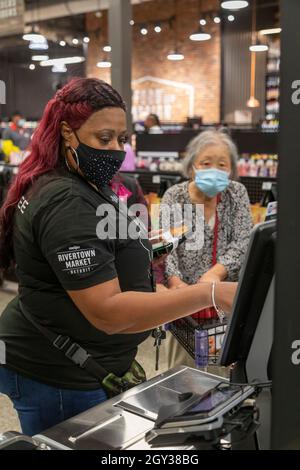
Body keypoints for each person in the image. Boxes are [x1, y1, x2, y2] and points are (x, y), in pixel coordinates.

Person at [0, 78, 236, 436]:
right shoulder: (66, 202)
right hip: (57, 372)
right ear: (67, 133)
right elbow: (107, 312)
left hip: (80, 361)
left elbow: (110, 269)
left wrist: (167, 294)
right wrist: (209, 294)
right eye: (104, 138)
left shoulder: (90, 186)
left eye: (122, 139)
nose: (115, 149)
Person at [160, 129, 253, 368]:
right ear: (192, 167)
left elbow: (243, 241)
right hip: (184, 312)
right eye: (206, 163)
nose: (215, 170)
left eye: (222, 164)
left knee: (222, 377)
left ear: (231, 169)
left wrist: (216, 273)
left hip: (225, 306)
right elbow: (165, 248)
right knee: (183, 379)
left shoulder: (236, 194)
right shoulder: (175, 197)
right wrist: (175, 282)